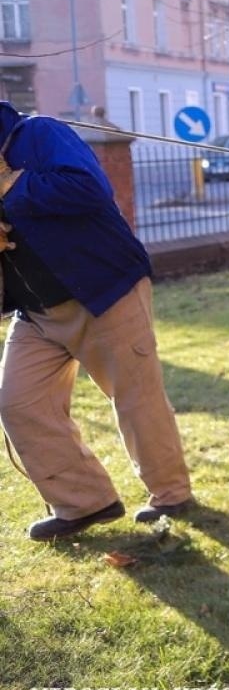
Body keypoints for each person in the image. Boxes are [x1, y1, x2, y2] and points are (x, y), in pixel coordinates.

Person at [0, 103, 194, 540]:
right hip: (36, 312)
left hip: (106, 289)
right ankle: (84, 502)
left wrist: (13, 185)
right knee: (19, 403)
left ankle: (172, 494)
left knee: (136, 398)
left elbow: (90, 188)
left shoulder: (40, 133)